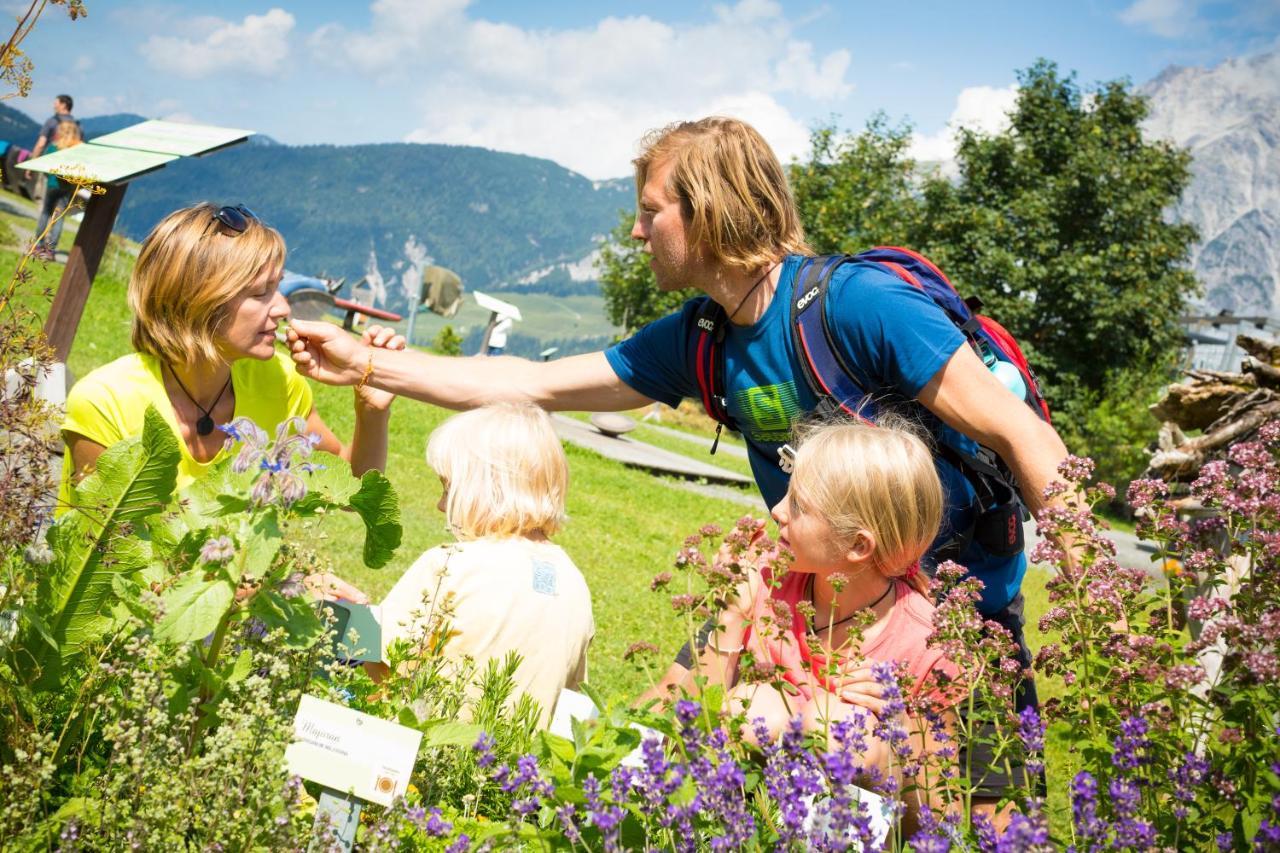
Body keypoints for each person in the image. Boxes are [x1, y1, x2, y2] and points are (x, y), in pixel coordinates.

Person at [285, 116, 1070, 814]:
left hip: (954, 623)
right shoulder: (703, 338)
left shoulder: (858, 306)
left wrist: (1094, 598)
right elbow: (528, 382)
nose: (636, 233)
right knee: (670, 739)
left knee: (985, 824)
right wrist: (363, 362)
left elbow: (1025, 436)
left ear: (708, 210)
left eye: (649, 210)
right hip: (804, 604)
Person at [697, 417, 959, 827]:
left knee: (834, 725)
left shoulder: (926, 643)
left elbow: (942, 821)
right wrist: (730, 614)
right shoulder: (768, 579)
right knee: (751, 708)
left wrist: (903, 735)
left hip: (856, 830)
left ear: (857, 545)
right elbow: (694, 725)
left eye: (798, 505)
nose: (777, 511)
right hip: (747, 818)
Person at [57, 203, 401, 513]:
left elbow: (350, 495)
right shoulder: (106, 401)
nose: (282, 308)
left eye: (278, 288)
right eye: (259, 293)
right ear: (197, 301)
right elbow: (104, 550)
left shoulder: (279, 380)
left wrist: (371, 410)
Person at [315, 403, 595, 728]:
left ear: (484, 489)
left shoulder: (450, 564)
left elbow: (387, 664)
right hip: (513, 768)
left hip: (434, 757)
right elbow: (571, 697)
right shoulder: (573, 581)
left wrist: (345, 615)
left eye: (448, 488)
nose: (440, 504)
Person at [32, 118, 82, 260]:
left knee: (46, 213)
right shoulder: (76, 150)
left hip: (52, 185)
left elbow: (44, 165)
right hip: (67, 187)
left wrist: (49, 176)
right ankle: (51, 251)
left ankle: (38, 244)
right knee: (59, 217)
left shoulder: (54, 147)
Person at [30, 94, 77, 159]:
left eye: (55, 104)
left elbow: (41, 144)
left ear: (63, 105)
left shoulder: (52, 121)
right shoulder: (77, 124)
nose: (53, 106)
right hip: (70, 161)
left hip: (51, 159)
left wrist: (31, 161)